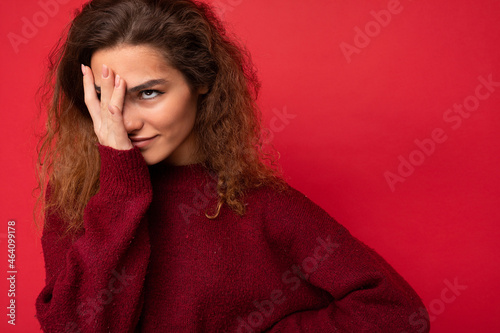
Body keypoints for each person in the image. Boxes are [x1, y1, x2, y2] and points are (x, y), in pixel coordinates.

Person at [34, 0, 430, 332]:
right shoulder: (76, 200)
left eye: (148, 92)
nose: (126, 120)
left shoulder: (259, 205)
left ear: (200, 81)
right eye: (106, 97)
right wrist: (122, 186)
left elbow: (395, 312)